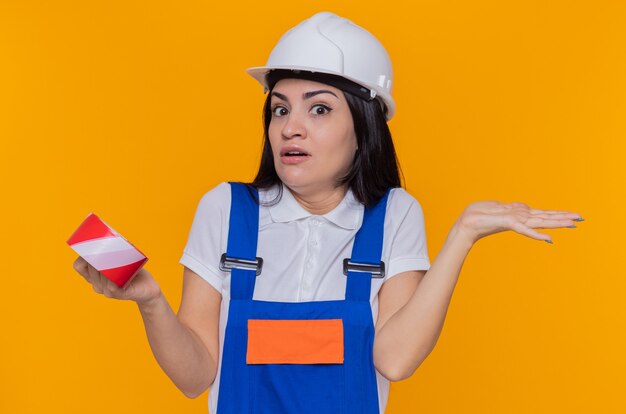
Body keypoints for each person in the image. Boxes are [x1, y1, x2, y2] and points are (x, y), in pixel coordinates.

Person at [72, 11, 584, 414]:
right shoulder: (224, 209)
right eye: (280, 108)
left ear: (364, 128)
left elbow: (395, 360)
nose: (291, 127)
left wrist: (464, 234)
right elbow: (195, 377)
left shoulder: (394, 214)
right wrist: (151, 301)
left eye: (319, 108)